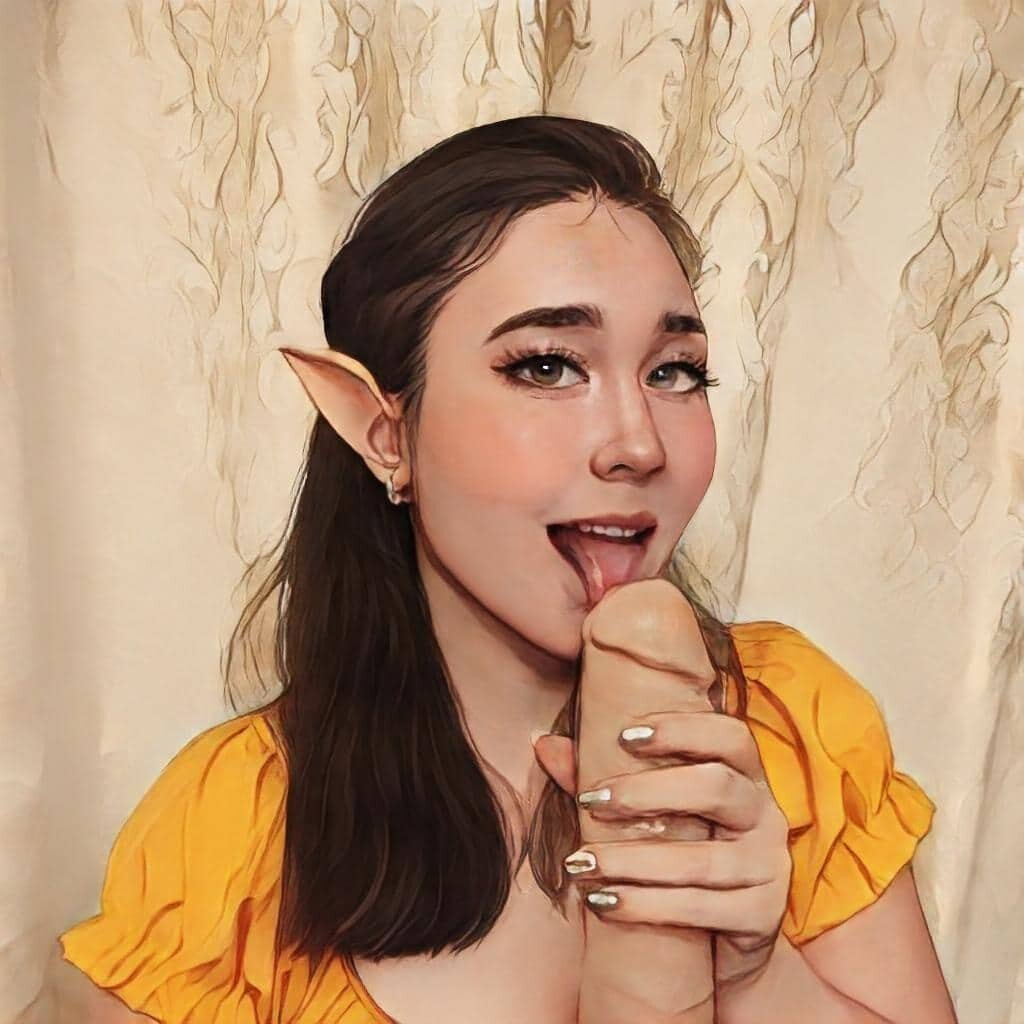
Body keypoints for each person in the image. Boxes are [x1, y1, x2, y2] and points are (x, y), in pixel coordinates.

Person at [57, 115, 958, 1023]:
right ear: (383, 430)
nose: (639, 443)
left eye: (675, 372)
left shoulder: (785, 723)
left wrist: (759, 974)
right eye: (548, 366)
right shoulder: (234, 829)